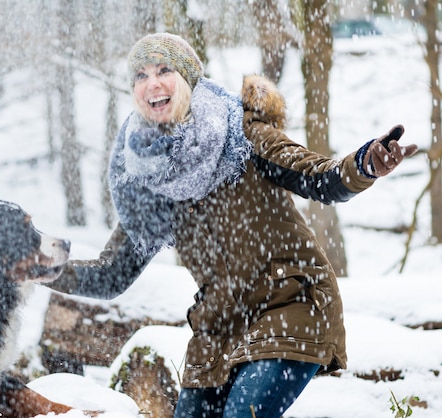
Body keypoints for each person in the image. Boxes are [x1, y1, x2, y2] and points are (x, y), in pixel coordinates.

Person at [47, 33, 418, 418]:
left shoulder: (241, 134)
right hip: (219, 330)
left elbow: (317, 177)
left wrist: (364, 165)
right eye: (140, 75)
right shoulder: (148, 178)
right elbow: (112, 274)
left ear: (188, 79)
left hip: (291, 303)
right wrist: (41, 269)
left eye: (163, 70)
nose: (152, 83)